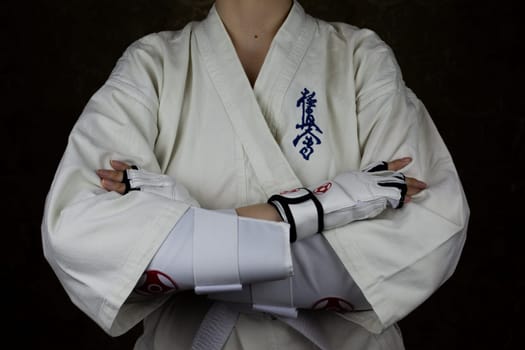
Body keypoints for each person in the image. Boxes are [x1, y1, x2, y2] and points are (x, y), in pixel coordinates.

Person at [41, 0, 469, 349]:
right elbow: (77, 232)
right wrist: (325, 205)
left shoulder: (360, 59)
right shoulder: (151, 66)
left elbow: (431, 228)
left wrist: (181, 239)